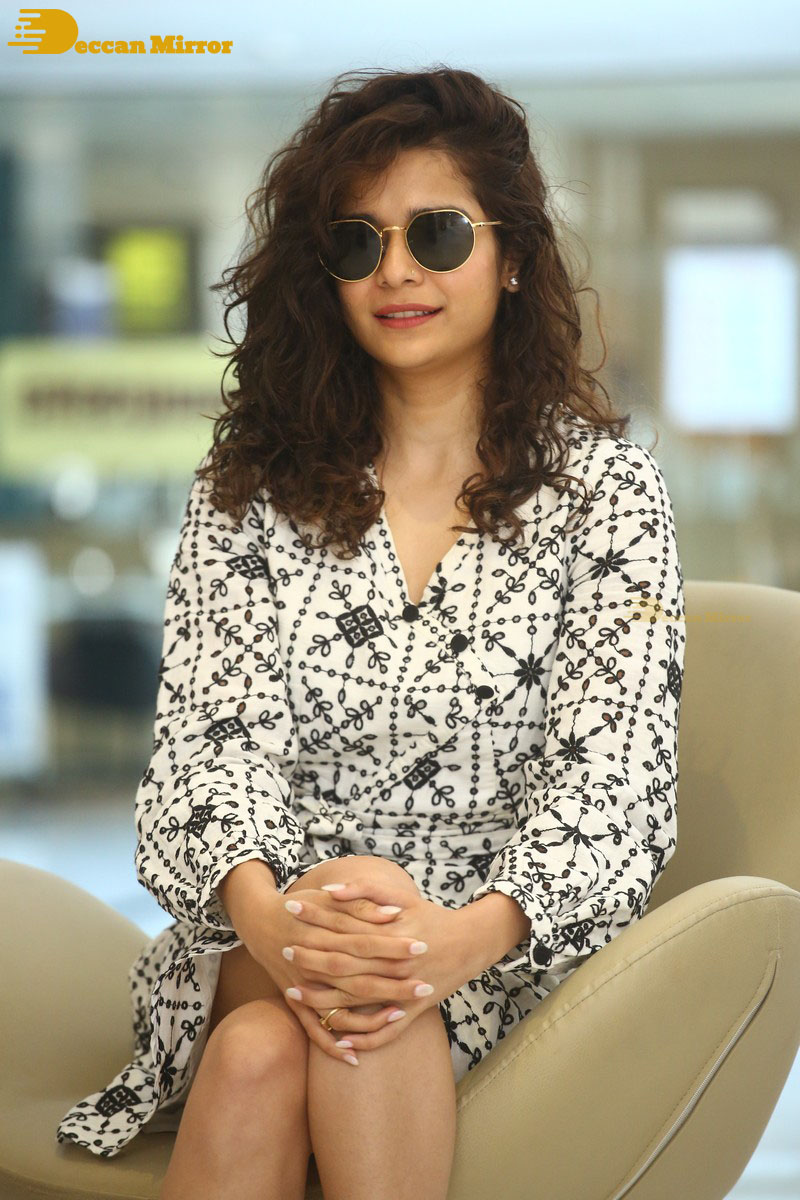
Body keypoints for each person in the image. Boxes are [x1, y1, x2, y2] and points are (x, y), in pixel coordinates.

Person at [55, 66, 685, 1200]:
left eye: (436, 234)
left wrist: (448, 940)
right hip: (263, 935)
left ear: (511, 255)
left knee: (263, 1055)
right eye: (357, 243)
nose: (395, 271)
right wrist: (278, 921)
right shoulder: (249, 490)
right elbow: (205, 754)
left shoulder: (606, 494)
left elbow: (616, 784)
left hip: (499, 951)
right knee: (345, 967)